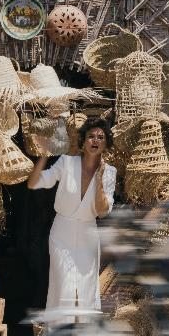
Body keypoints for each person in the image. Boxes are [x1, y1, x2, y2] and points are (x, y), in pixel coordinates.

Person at [27, 117, 117, 314]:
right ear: (83, 141)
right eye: (91, 136)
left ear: (106, 144)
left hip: (88, 233)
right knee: (64, 286)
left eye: (100, 137)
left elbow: (102, 212)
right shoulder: (66, 163)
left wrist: (100, 178)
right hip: (62, 232)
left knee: (85, 289)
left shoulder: (109, 172)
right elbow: (34, 183)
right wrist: (44, 155)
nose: (95, 140)